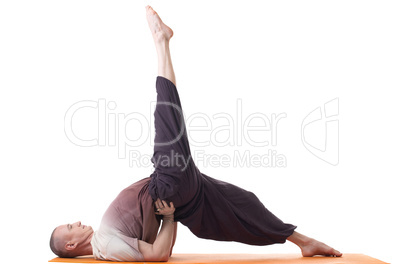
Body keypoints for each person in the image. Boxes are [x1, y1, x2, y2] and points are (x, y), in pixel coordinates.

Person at [49, 6, 342, 262]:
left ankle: (304, 242)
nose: (75, 222)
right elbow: (157, 256)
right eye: (70, 227)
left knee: (243, 204)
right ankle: (161, 42)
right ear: (72, 244)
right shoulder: (105, 245)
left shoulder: (106, 238)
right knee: (167, 115)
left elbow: (152, 245)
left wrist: (170, 214)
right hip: (168, 186)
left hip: (183, 193)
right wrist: (170, 217)